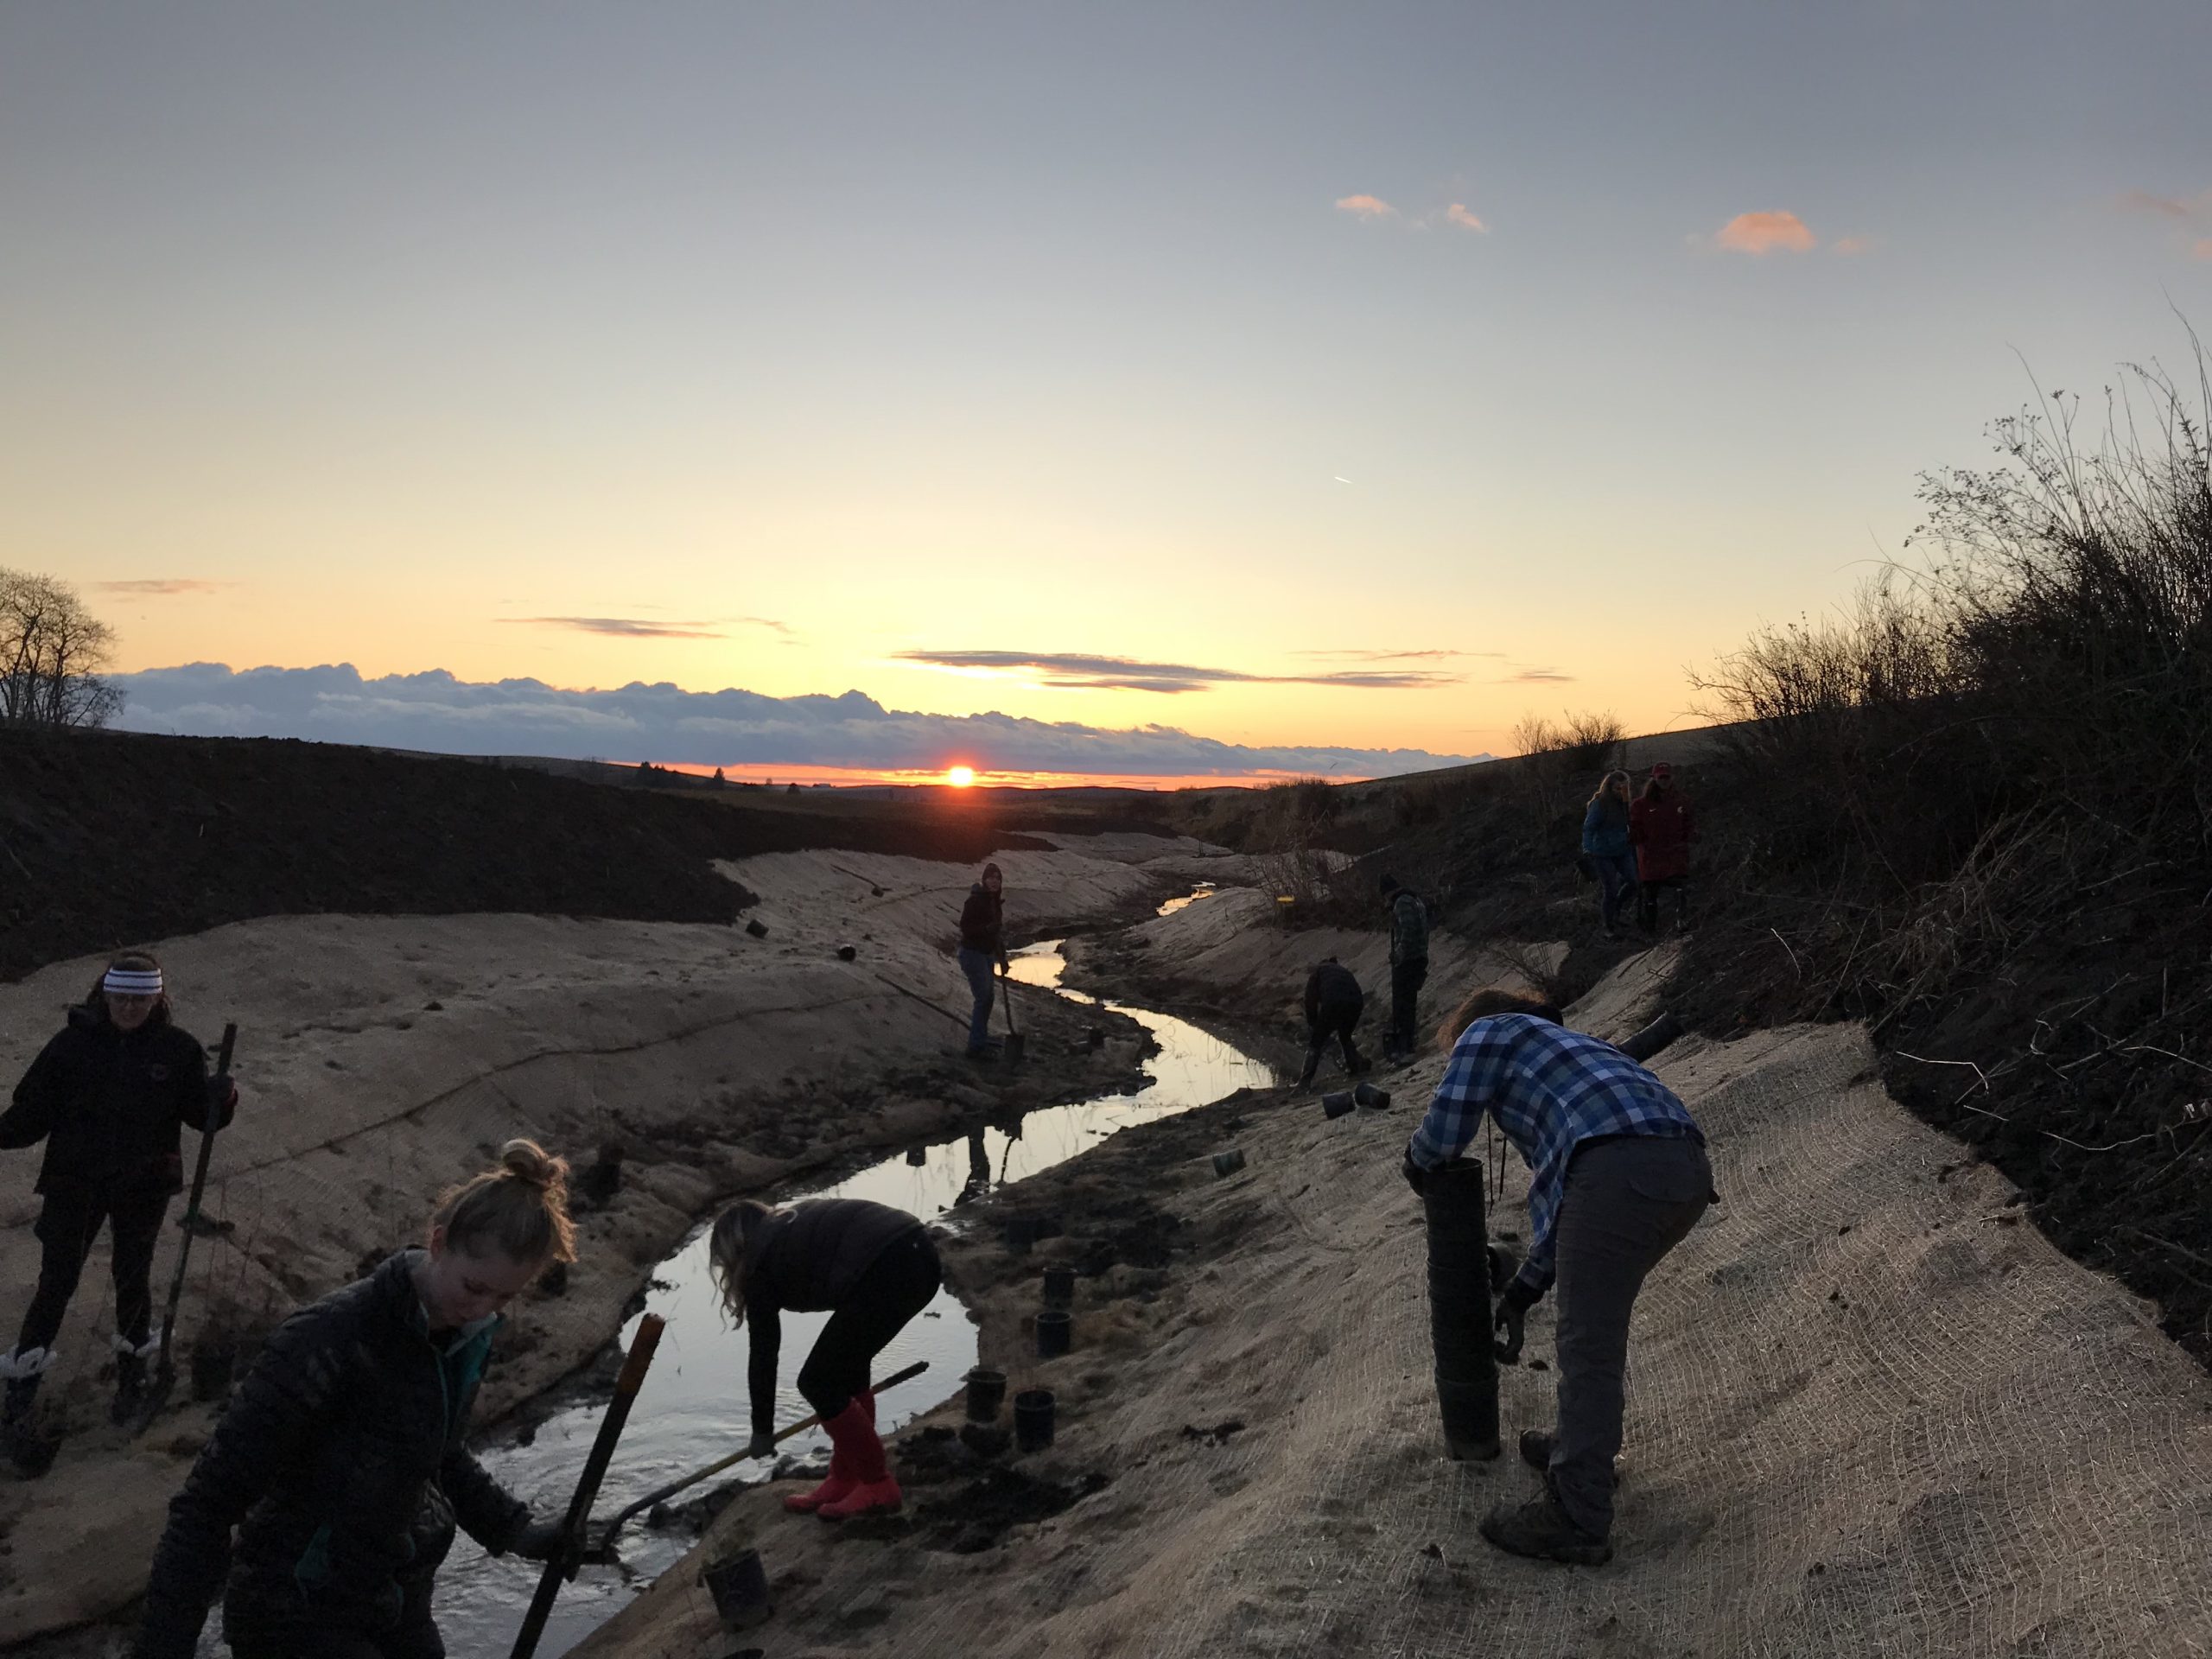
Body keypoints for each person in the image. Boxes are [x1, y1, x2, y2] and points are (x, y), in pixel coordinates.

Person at [133, 1141, 578, 1659]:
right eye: (475, 1288)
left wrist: (516, 1529)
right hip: (294, 1610)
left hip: (393, 1597)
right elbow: (206, 1503)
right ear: (438, 1244)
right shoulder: (326, 1341)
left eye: (505, 1297)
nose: (485, 1309)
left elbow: (434, 1451)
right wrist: (162, 1646)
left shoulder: (460, 1334)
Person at [1403, 988, 1713, 1567]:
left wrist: (1418, 1163)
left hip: (1618, 1169)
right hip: (1682, 1169)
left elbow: (1446, 1128)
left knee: (1587, 1348)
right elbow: (1573, 1205)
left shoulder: (1487, 1031)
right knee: (1592, 1331)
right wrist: (1521, 1294)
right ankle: (1579, 1453)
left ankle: (1576, 1514)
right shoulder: (1579, 1054)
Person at [2, 952, 237, 1436]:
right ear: (105, 995)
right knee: (55, 1282)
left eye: (140, 998)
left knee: (132, 1279)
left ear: (157, 999)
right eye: (121, 997)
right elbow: (31, 1113)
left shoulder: (178, 1050)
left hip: (144, 1185)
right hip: (73, 1182)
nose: (129, 1008)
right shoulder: (70, 1046)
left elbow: (201, 1116)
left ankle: (133, 1378)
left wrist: (221, 1096)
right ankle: (20, 1389)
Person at [709, 1196, 941, 1522]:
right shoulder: (787, 1226)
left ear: (734, 1250)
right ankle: (846, 1479)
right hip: (919, 1255)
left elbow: (763, 1355)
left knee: (817, 1381)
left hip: (891, 1265)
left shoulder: (760, 1262)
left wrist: (762, 1431)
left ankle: (877, 1485)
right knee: (847, 1372)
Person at [1628, 763, 1694, 933]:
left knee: (1680, 889)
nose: (1664, 781)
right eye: (1661, 777)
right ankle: (1650, 931)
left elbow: (1689, 823)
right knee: (1651, 895)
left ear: (1672, 778)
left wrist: (1688, 838)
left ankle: (1682, 923)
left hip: (1675, 854)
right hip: (1651, 856)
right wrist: (1638, 839)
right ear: (1654, 779)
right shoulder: (1640, 805)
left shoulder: (1681, 800)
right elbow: (1635, 829)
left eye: (1667, 777)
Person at [957, 862, 1010, 1059]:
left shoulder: (995, 903)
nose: (994, 881)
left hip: (987, 954)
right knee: (983, 998)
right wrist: (986, 929)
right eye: (991, 878)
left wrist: (1002, 958)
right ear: (984, 880)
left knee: (989, 999)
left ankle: (981, 1038)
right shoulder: (975, 901)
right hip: (972, 954)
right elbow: (966, 928)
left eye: (998, 878)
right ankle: (975, 1046)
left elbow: (997, 934)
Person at [1581, 771, 1639, 940]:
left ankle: (1617, 911)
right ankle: (1608, 925)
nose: (1621, 792)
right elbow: (1589, 828)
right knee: (1611, 889)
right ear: (1609, 788)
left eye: (1624, 788)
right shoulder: (1600, 805)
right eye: (1617, 788)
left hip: (1623, 850)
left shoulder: (1627, 804)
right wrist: (1588, 848)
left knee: (1633, 882)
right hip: (1603, 852)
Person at [1379, 875, 1430, 1064]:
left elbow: (1408, 931)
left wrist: (1398, 954)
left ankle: (1405, 1047)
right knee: (1409, 1003)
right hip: (1419, 958)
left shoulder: (1402, 903)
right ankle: (1407, 1043)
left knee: (1402, 1004)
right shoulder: (1416, 901)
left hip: (1409, 961)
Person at [1298, 957, 1367, 1088]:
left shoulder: (1318, 972)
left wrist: (1313, 1024)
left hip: (1333, 1002)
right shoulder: (1342, 970)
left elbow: (1310, 1001)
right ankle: (1355, 1066)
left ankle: (1304, 1082)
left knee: (1315, 1043)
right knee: (1345, 1036)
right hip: (1356, 1002)